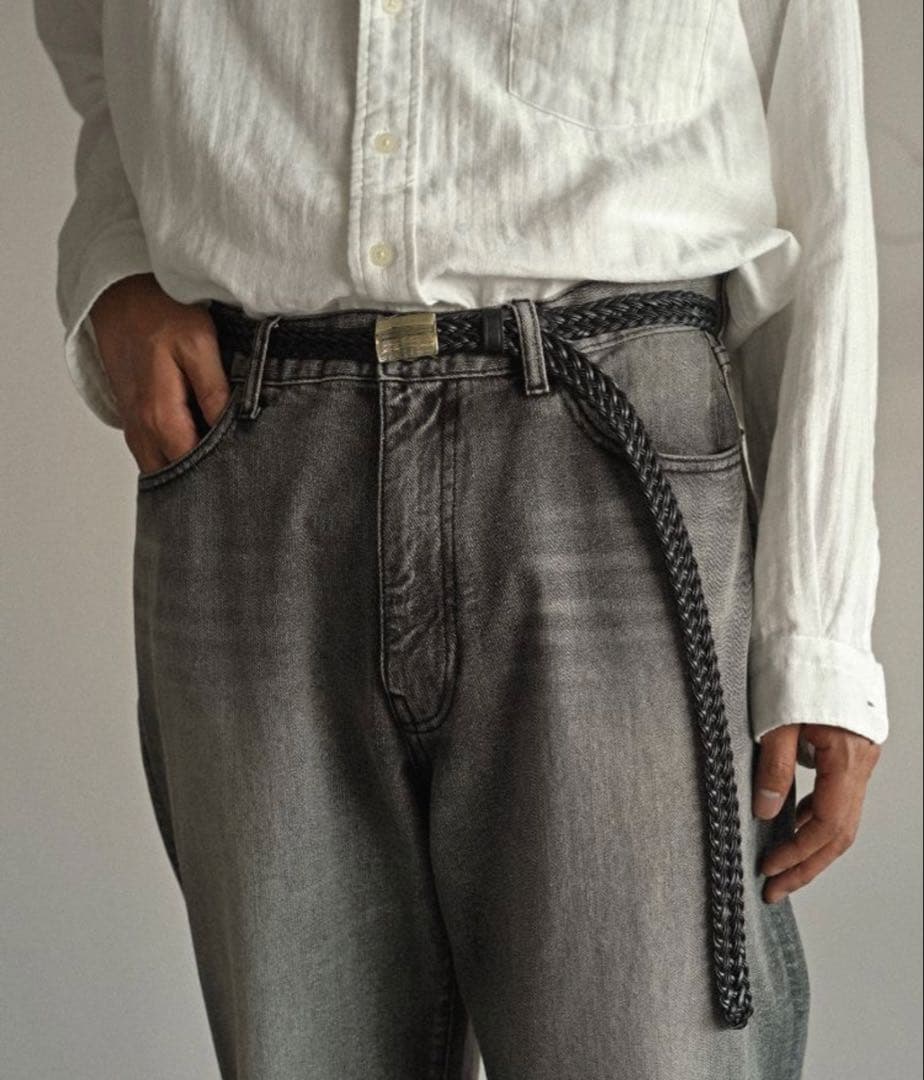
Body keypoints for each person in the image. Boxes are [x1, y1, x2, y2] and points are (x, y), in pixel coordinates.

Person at [34, 1, 888, 1078]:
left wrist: (820, 627)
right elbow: (93, 38)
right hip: (254, 439)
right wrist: (116, 259)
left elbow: (815, 171)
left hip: (610, 454)